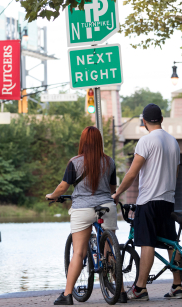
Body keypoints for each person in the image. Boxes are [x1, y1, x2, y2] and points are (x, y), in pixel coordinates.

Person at [46, 126, 124, 305]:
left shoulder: (75, 162)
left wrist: (52, 195)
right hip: (106, 207)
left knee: (79, 252)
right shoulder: (109, 162)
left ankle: (67, 295)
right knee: (111, 252)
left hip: (82, 210)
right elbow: (112, 190)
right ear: (99, 142)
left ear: (83, 142)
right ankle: (120, 292)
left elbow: (63, 187)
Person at [112, 103, 182, 301]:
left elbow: (132, 173)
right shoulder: (173, 142)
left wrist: (117, 193)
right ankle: (178, 286)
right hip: (168, 201)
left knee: (147, 243)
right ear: (161, 119)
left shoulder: (146, 141)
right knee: (171, 243)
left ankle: (140, 288)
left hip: (149, 201)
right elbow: (176, 173)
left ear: (144, 121)